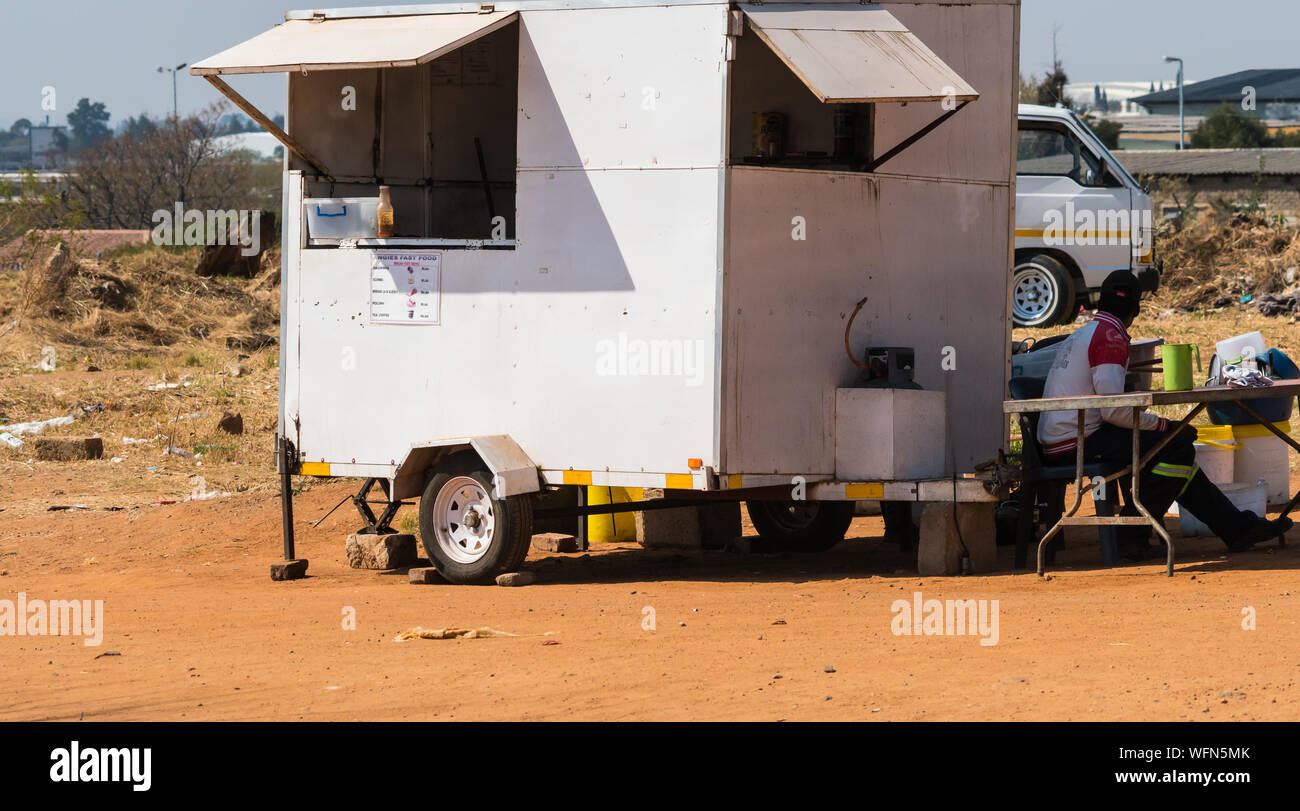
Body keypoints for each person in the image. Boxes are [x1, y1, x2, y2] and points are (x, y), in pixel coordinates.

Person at [1037, 269, 1291, 557]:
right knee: (1177, 447)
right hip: (1078, 442)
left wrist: (1162, 426)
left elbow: (1108, 406)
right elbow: (1113, 411)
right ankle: (1132, 534)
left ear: (1101, 302)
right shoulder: (1110, 337)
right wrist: (1162, 425)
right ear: (1136, 308)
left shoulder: (1088, 333)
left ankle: (1237, 528)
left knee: (1177, 451)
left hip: (1066, 436)